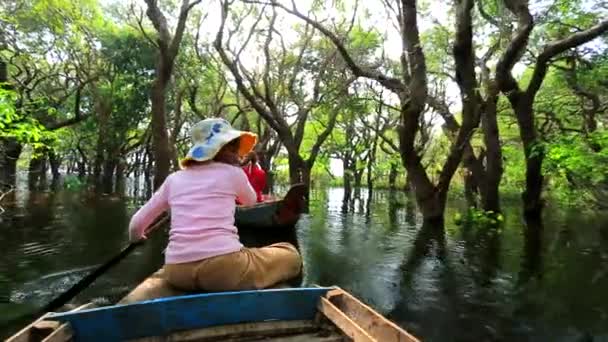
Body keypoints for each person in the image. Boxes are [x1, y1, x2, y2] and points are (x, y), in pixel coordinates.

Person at [127, 118, 302, 292]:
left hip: (177, 272)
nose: (237, 153)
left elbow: (136, 224)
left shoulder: (173, 179)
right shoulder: (233, 173)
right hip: (224, 270)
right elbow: (251, 201)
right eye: (232, 147)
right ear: (219, 149)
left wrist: (137, 238)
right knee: (290, 253)